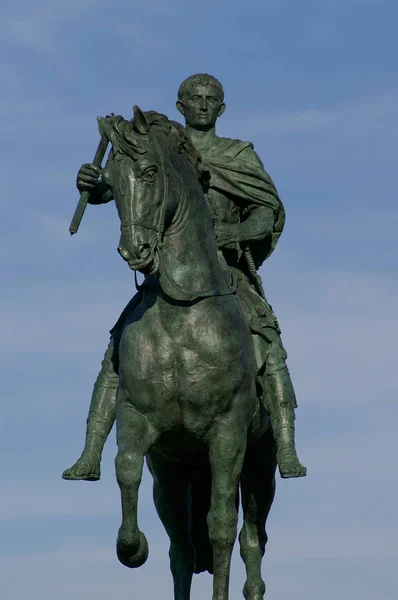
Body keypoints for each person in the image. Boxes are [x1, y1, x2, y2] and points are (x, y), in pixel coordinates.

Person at [62, 74, 306, 481]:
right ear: (181, 105)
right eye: (195, 98)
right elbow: (136, 184)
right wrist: (98, 184)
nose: (203, 104)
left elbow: (266, 212)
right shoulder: (164, 149)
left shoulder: (238, 154)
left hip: (223, 273)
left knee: (268, 336)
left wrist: (236, 232)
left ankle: (285, 445)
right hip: (166, 272)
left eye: (212, 99)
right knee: (117, 346)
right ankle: (91, 452)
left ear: (222, 108)